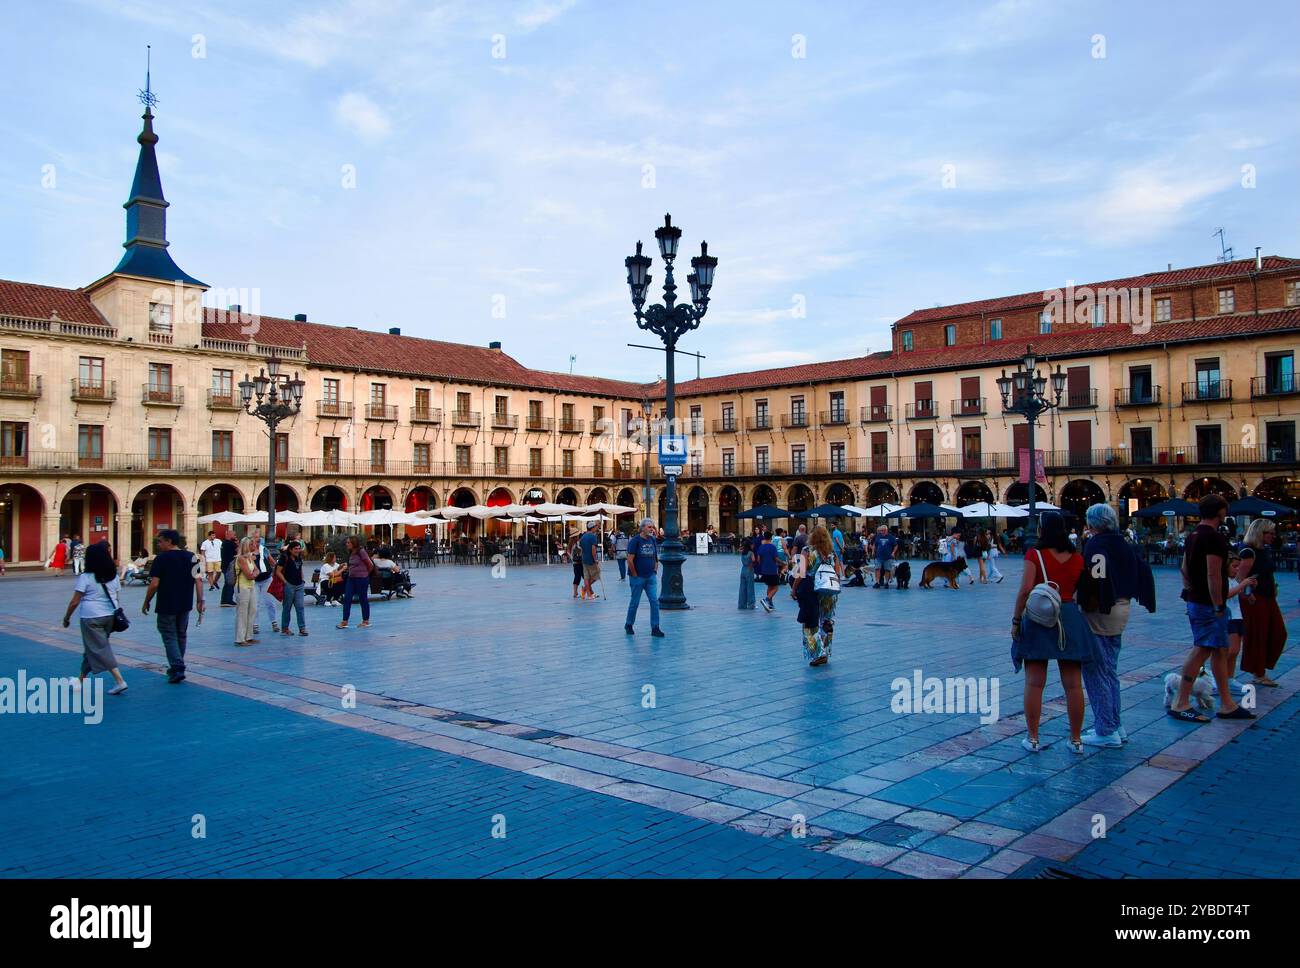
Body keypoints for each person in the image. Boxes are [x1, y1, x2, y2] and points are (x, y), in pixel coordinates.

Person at [1010, 511, 1094, 753]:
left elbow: (1025, 590)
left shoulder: (1034, 554)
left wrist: (1016, 620)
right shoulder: (1077, 557)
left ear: (1041, 529)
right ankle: (1076, 740)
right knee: (1074, 685)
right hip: (1068, 617)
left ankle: (1033, 738)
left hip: (1039, 618)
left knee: (1035, 683)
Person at [1169, 494, 1253, 722]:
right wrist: (1218, 604)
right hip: (1208, 603)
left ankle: (1227, 703)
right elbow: (1214, 573)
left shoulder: (1193, 535)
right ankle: (1181, 703)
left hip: (1196, 598)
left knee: (1219, 651)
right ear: (1220, 512)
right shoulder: (1213, 538)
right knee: (1202, 649)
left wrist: (1190, 588)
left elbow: (1184, 568)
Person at [1078, 503, 1154, 748]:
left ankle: (1106, 730)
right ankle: (1115, 724)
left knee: (1096, 671)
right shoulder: (1124, 543)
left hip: (1102, 610)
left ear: (1093, 523)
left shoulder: (1097, 545)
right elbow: (1142, 571)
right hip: (1122, 608)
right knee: (1110, 670)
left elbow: (1096, 578)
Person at [61, 540, 128, 695]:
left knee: (100, 648)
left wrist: (67, 617)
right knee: (93, 647)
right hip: (109, 616)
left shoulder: (86, 577)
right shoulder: (114, 576)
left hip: (91, 617)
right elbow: (117, 596)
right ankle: (80, 679)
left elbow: (74, 601)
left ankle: (119, 680)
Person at [141, 529, 205, 684]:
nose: (159, 544)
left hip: (166, 603)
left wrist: (147, 600)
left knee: (169, 634)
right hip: (185, 603)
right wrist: (200, 600)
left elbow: (154, 583)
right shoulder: (191, 557)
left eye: (160, 541)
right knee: (181, 634)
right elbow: (198, 580)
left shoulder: (161, 559)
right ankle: (177, 664)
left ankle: (177, 667)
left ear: (169, 541)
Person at [1237, 518, 1287, 689]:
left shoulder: (1263, 550)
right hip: (1255, 599)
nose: (1273, 536)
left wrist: (1273, 586)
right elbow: (1239, 578)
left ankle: (1261, 668)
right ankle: (1258, 673)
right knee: (1259, 635)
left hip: (1268, 596)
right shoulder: (1248, 552)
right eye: (1270, 533)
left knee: (1278, 633)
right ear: (1260, 533)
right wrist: (1246, 594)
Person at [792, 525, 842, 666]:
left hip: (812, 591)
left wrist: (794, 589)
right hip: (829, 592)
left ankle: (818, 653)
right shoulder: (832, 553)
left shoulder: (807, 551)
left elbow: (800, 573)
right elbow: (838, 574)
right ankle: (826, 651)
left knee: (810, 623)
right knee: (826, 622)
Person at [624, 518, 663, 636]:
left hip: (650, 576)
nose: (652, 529)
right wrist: (635, 575)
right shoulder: (635, 541)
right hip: (638, 577)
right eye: (649, 527)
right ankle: (629, 624)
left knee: (654, 602)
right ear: (642, 528)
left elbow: (655, 556)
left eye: (652, 527)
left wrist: (655, 569)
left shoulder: (652, 540)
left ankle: (655, 627)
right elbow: (630, 560)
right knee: (635, 602)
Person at [337, 535, 374, 629]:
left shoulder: (361, 552)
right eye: (347, 542)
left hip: (361, 579)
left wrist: (365, 574)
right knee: (347, 598)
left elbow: (370, 565)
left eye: (348, 542)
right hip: (351, 578)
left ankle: (366, 621)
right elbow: (353, 564)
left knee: (363, 599)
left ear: (354, 543)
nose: (347, 544)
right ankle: (344, 621)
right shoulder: (351, 552)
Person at [276, 539, 308, 636]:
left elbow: (300, 568)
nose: (298, 550)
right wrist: (286, 582)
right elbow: (278, 571)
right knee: (287, 607)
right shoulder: (284, 558)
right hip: (289, 585)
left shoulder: (299, 558)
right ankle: (285, 628)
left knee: (300, 607)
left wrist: (302, 580)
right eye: (295, 549)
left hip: (299, 585)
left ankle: (302, 628)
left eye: (299, 549)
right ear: (290, 549)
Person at [233, 536, 261, 646]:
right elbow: (249, 575)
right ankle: (240, 639)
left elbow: (256, 570)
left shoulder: (249, 557)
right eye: (252, 544)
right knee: (242, 612)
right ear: (246, 546)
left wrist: (254, 574)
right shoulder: (241, 558)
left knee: (252, 610)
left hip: (251, 586)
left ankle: (249, 636)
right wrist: (254, 574)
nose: (255, 546)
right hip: (242, 587)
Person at [250, 530, 279, 635]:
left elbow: (272, 562)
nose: (257, 542)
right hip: (254, 580)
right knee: (255, 603)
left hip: (266, 578)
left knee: (270, 602)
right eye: (255, 539)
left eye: (258, 539)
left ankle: (274, 622)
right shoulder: (247, 552)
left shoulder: (264, 550)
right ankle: (255, 625)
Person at [753, 531, 782, 612]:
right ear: (771, 537)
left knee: (770, 586)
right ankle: (766, 599)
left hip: (764, 570)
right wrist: (783, 563)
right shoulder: (772, 547)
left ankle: (770, 604)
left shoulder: (761, 547)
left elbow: (758, 559)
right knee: (776, 587)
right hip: (772, 570)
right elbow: (776, 559)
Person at [579, 521, 601, 599]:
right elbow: (593, 549)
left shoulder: (582, 537)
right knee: (596, 575)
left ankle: (588, 594)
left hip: (584, 559)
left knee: (586, 577)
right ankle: (585, 589)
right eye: (596, 527)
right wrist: (595, 559)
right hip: (591, 560)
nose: (596, 528)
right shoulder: (592, 536)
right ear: (593, 527)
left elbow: (581, 549)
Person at [219, 532, 238, 606]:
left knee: (227, 583)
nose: (235, 536)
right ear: (229, 535)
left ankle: (224, 600)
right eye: (234, 535)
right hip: (230, 566)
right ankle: (228, 600)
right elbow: (238, 551)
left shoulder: (224, 543)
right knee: (230, 583)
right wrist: (237, 543)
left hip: (224, 565)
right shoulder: (231, 544)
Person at [738, 534, 756, 610]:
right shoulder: (751, 553)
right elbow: (754, 560)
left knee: (742, 588)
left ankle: (742, 605)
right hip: (749, 570)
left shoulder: (742, 552)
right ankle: (751, 604)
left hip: (743, 570)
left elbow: (739, 549)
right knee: (750, 588)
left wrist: (743, 546)